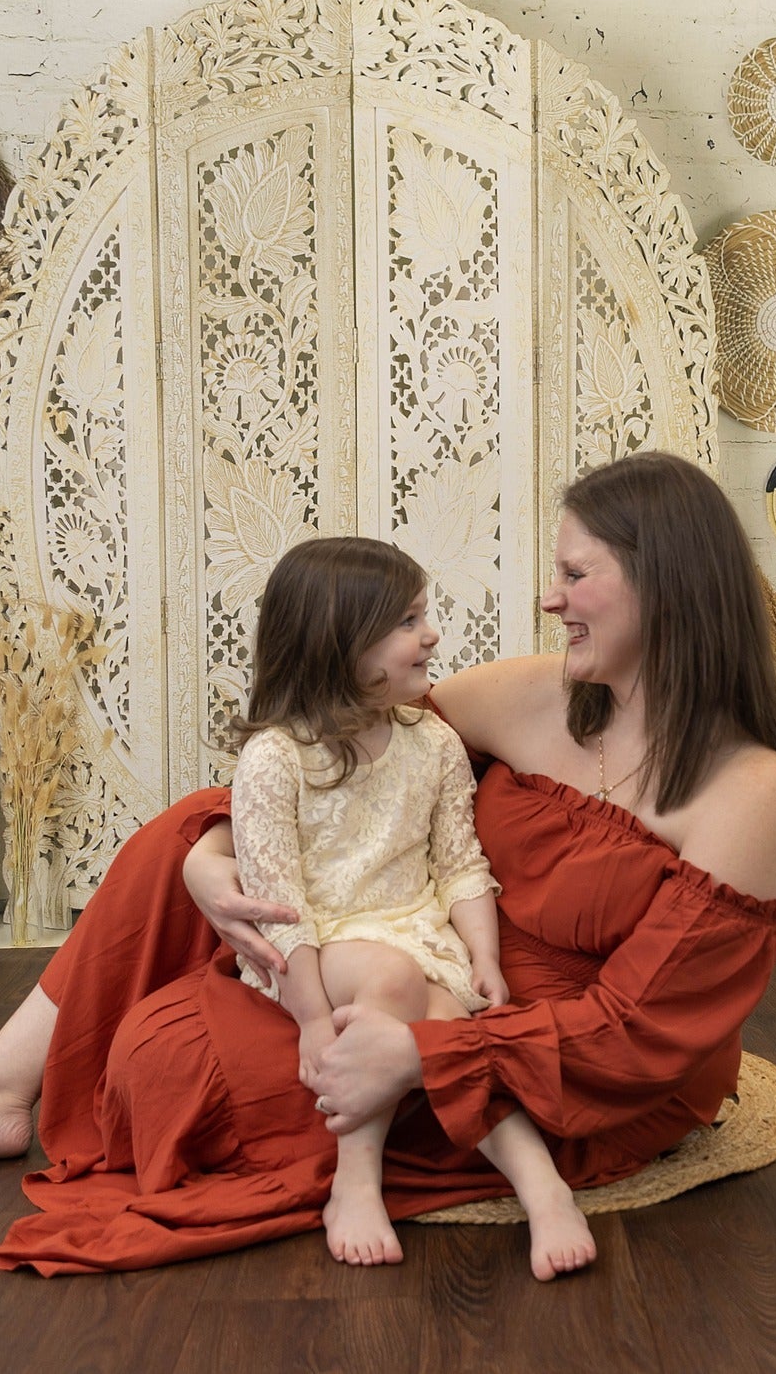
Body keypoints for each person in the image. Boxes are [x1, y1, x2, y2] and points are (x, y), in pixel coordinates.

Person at [0, 451, 776, 1278]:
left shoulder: (751, 791)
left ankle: (431, 1147)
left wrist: (423, 1055)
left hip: (560, 1060)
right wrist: (209, 860)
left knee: (167, 1068)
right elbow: (335, 759)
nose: (550, 600)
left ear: (664, 582)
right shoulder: (534, 695)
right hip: (401, 958)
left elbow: (635, 1036)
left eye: (577, 574)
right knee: (175, 839)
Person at [221, 535, 592, 1276]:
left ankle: (543, 1187)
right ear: (340, 643)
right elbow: (275, 905)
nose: (431, 635)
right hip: (312, 945)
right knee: (392, 978)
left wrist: (483, 955)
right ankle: (355, 1180)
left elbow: (459, 865)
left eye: (425, 614)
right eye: (407, 621)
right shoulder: (276, 758)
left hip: (413, 931)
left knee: (450, 1029)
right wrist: (314, 1022)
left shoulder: (433, 744)